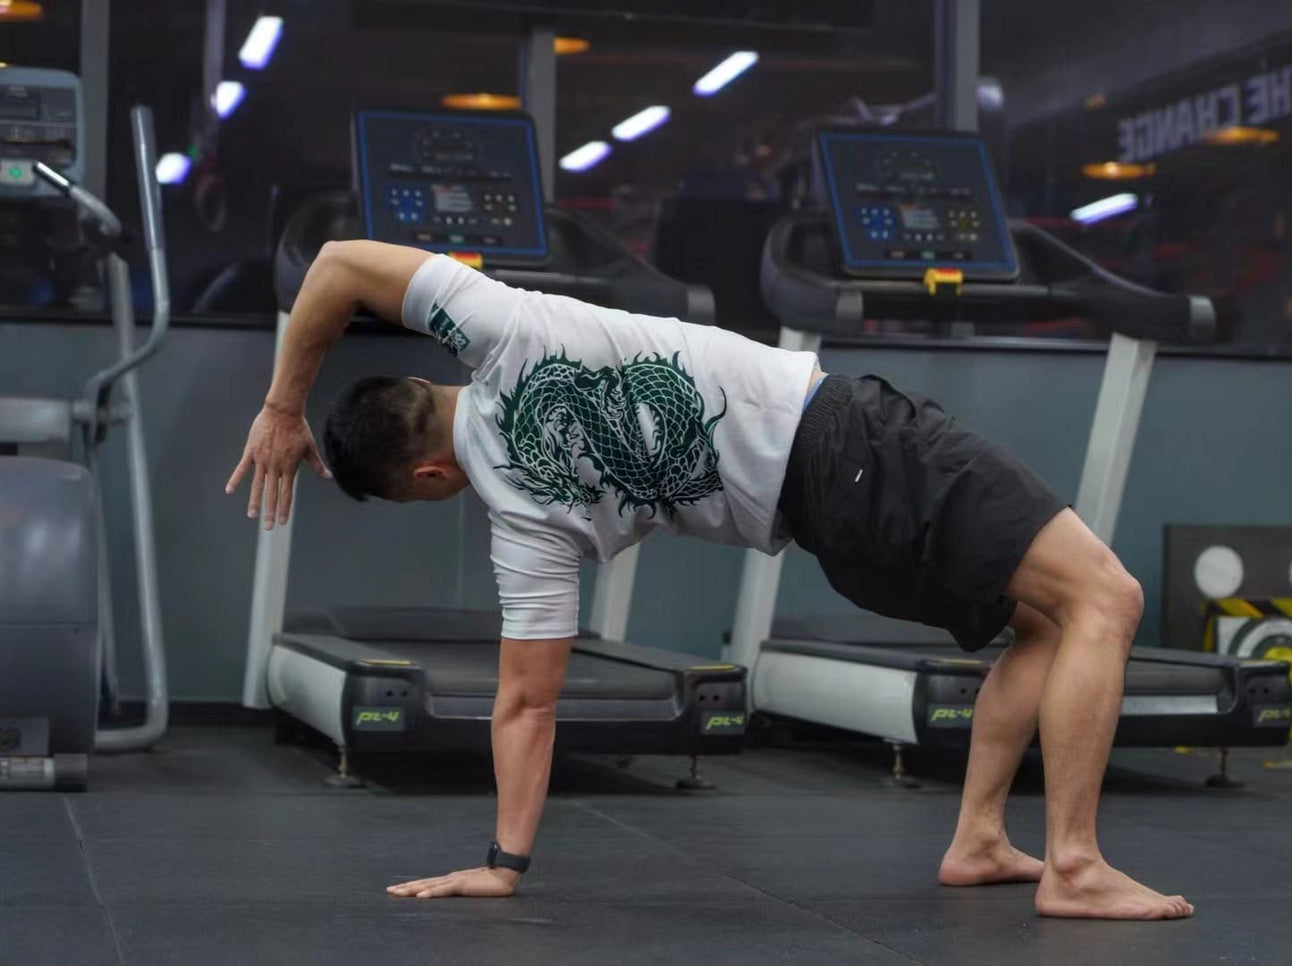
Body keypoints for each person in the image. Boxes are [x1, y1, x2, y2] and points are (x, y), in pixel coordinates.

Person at [227, 239, 1193, 920]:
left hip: (823, 526)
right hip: (848, 446)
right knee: (1107, 596)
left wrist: (504, 865)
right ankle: (1072, 863)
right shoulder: (500, 322)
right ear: (426, 396)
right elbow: (342, 266)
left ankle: (980, 839)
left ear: (426, 479)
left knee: (1049, 622)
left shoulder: (523, 526)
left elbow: (524, 706)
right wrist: (284, 406)